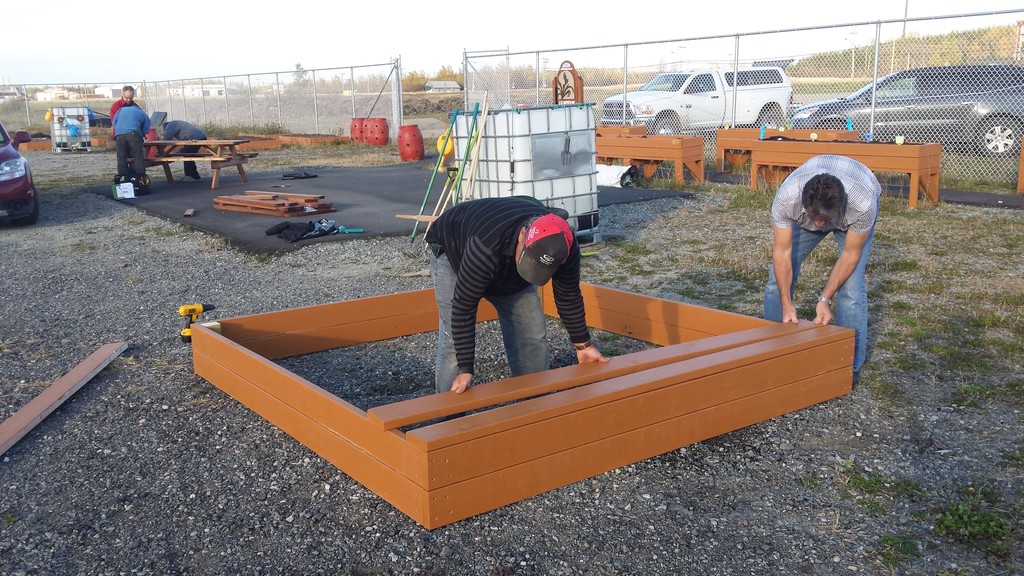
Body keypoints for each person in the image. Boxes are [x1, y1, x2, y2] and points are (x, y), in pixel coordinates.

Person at [425, 197, 608, 395]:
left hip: (504, 263)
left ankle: (533, 406)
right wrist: (466, 368)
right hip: (454, 252)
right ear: (522, 235)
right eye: (530, 263)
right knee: (453, 341)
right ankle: (449, 418)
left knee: (533, 336)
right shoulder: (484, 246)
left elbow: (568, 294)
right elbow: (463, 307)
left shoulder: (564, 245)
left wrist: (583, 345)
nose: (532, 272)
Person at [763, 154, 881, 381]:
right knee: (775, 283)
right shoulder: (788, 197)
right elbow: (782, 253)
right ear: (804, 205)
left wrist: (825, 299)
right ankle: (773, 350)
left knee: (851, 288)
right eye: (813, 217)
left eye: (824, 220)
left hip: (855, 204)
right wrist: (787, 304)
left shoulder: (863, 204)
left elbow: (849, 255)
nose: (818, 225)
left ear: (839, 208)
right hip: (807, 204)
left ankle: (849, 366)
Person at [112, 104, 151, 179]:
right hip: (133, 134)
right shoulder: (142, 113)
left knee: (121, 157)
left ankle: (123, 177)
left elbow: (114, 123)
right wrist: (141, 134)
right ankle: (140, 177)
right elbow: (146, 129)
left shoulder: (120, 110)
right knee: (138, 156)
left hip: (119, 135)